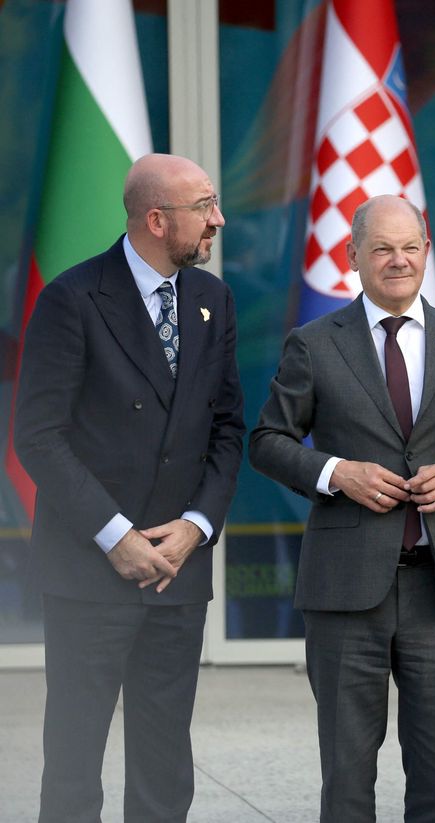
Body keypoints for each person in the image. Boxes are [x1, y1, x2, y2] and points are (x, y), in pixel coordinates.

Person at [249, 195, 435, 822]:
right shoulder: (314, 343)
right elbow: (267, 442)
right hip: (344, 594)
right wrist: (336, 472)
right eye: (382, 249)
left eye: (410, 247)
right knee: (346, 778)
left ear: (426, 251)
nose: (398, 261)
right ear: (353, 257)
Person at [13, 153, 245, 822]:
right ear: (156, 218)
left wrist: (196, 525)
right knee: (75, 761)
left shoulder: (213, 300)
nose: (218, 220)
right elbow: (38, 436)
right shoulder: (71, 299)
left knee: (165, 762)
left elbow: (228, 427)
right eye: (205, 207)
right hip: (90, 571)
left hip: (176, 572)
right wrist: (115, 536)